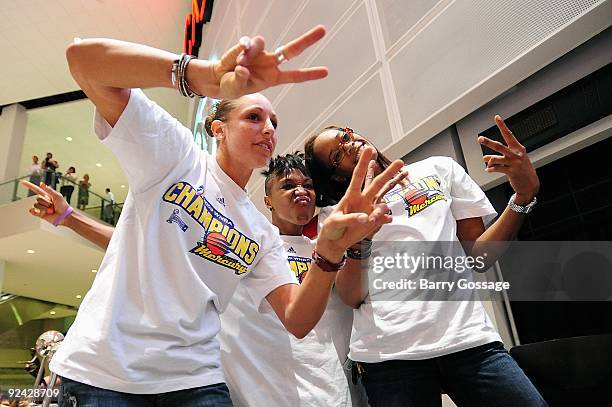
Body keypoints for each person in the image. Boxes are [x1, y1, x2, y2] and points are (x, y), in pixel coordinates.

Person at [35, 26, 404, 405]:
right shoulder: (176, 156)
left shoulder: (259, 229)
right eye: (254, 117)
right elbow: (83, 61)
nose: (269, 129)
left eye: (274, 122)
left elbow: (296, 318)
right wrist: (205, 76)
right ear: (218, 130)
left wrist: (327, 253)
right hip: (106, 372)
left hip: (196, 379)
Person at [23, 152, 380, 406]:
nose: (301, 190)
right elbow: (140, 244)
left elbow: (353, 298)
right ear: (267, 200)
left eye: (307, 185)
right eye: (288, 186)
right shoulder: (245, 243)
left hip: (333, 387)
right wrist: (70, 217)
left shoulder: (329, 248)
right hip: (266, 392)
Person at [304, 122, 547, 407]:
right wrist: (362, 237)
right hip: (388, 356)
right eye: (336, 155)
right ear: (335, 176)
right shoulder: (337, 216)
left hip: (467, 339)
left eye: (344, 136)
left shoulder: (439, 168)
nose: (348, 145)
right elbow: (351, 296)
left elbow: (479, 257)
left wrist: (522, 196)